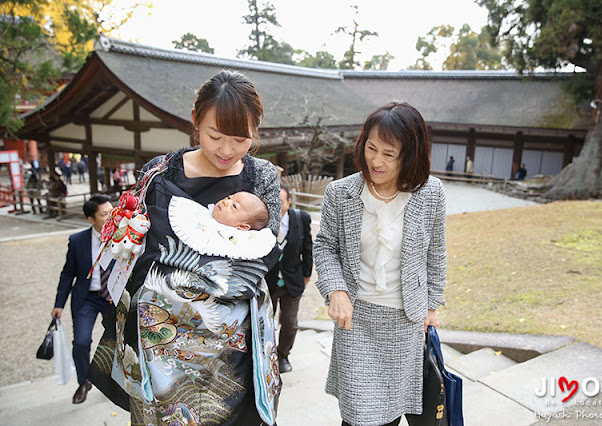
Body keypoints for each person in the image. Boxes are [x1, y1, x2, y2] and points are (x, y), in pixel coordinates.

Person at [89, 70, 282, 426]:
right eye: (215, 136)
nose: (226, 150)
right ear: (195, 122)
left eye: (240, 139)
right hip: (161, 336)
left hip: (233, 337)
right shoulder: (160, 173)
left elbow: (266, 250)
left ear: (255, 131)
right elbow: (142, 248)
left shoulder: (262, 177)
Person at [314, 101, 447, 426]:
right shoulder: (340, 193)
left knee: (397, 412)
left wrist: (432, 305)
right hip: (356, 321)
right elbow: (325, 246)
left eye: (389, 154)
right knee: (361, 416)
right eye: (371, 148)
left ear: (411, 154)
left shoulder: (431, 193)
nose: (376, 160)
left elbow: (436, 253)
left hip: (405, 323)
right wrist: (336, 290)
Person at [51, 194, 115, 404]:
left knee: (118, 342)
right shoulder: (77, 241)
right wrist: (58, 304)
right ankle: (84, 381)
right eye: (104, 214)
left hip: (112, 298)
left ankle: (116, 382)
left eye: (111, 210)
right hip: (86, 298)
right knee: (81, 341)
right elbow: (67, 274)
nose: (111, 215)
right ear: (91, 219)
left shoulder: (123, 235)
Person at [265, 183, 313, 373]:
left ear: (289, 202)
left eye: (281, 201)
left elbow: (308, 249)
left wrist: (307, 275)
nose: (278, 204)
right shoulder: (263, 218)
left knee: (290, 323)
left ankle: (283, 355)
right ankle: (267, 356)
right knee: (267, 323)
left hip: (292, 280)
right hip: (268, 281)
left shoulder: (301, 219)